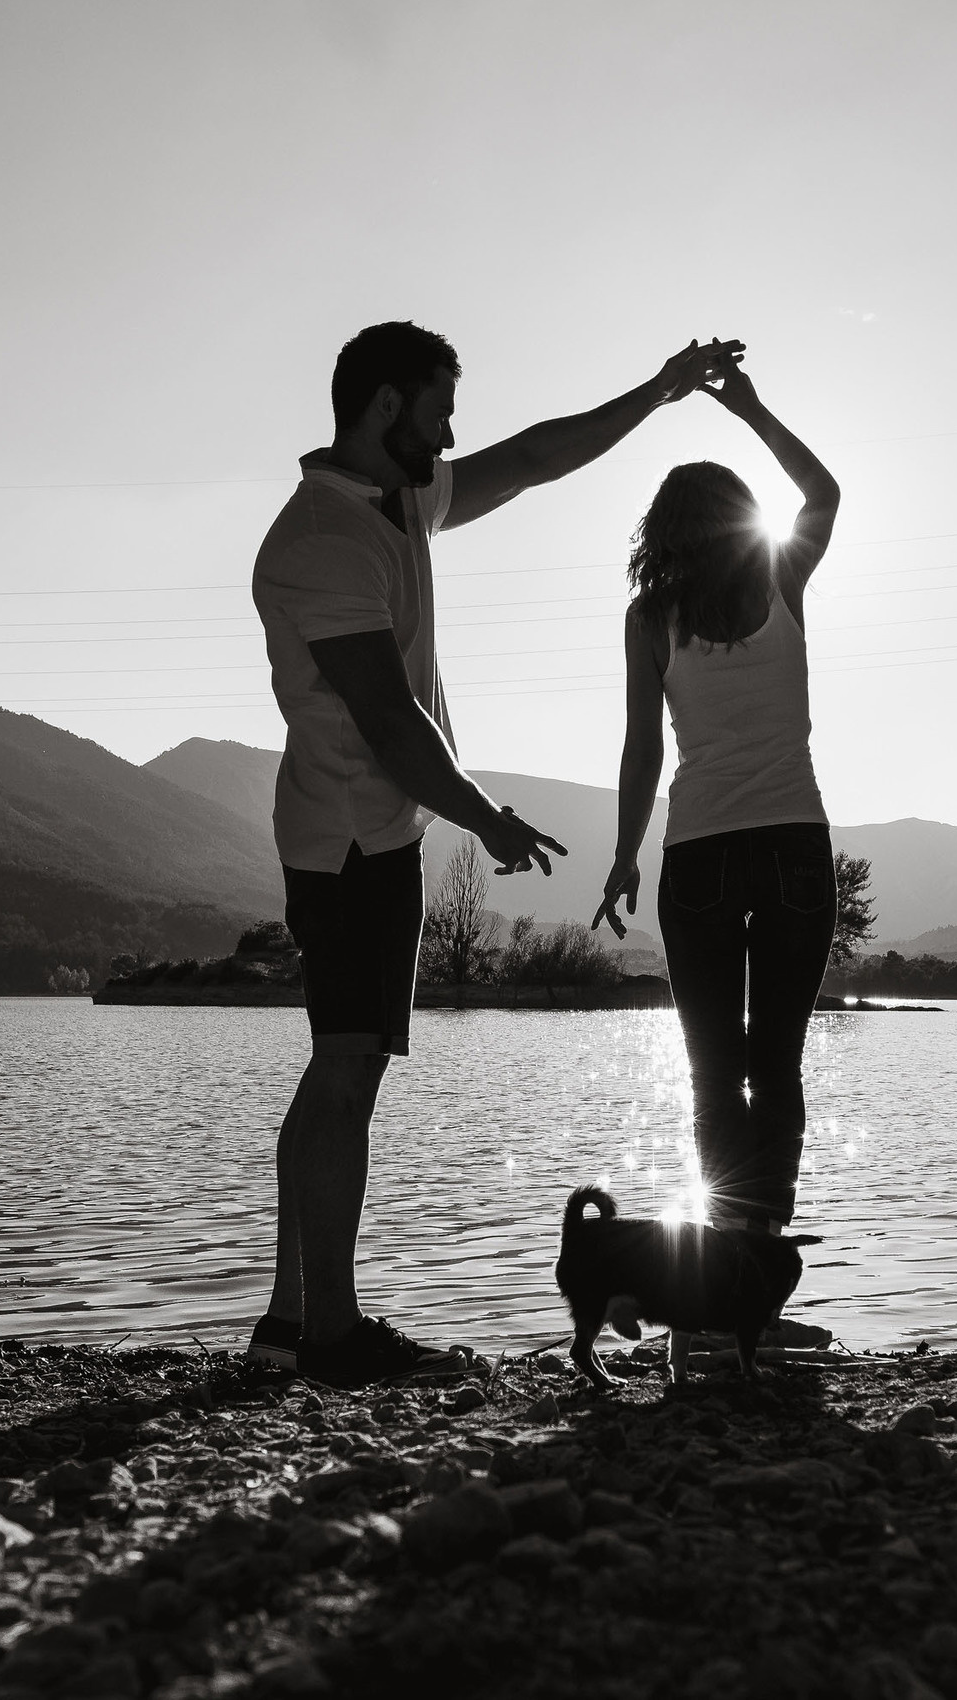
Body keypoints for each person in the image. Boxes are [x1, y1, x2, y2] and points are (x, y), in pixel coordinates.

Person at [251, 320, 739, 1389]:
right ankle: (329, 1333)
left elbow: (528, 459)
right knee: (345, 1076)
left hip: (367, 833)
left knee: (336, 1073)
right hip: (349, 839)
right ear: (385, 408)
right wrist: (486, 818)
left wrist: (655, 390)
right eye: (436, 409)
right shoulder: (320, 541)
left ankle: (291, 1317)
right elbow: (387, 719)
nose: (451, 430)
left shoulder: (397, 503)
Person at [592, 351, 841, 1262]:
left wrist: (625, 856)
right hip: (793, 848)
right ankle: (759, 1243)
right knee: (775, 1063)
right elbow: (825, 491)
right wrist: (753, 410)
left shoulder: (648, 615)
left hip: (697, 852)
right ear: (739, 519)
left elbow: (642, 747)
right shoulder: (783, 579)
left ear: (662, 533)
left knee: (713, 1072)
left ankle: (732, 1246)